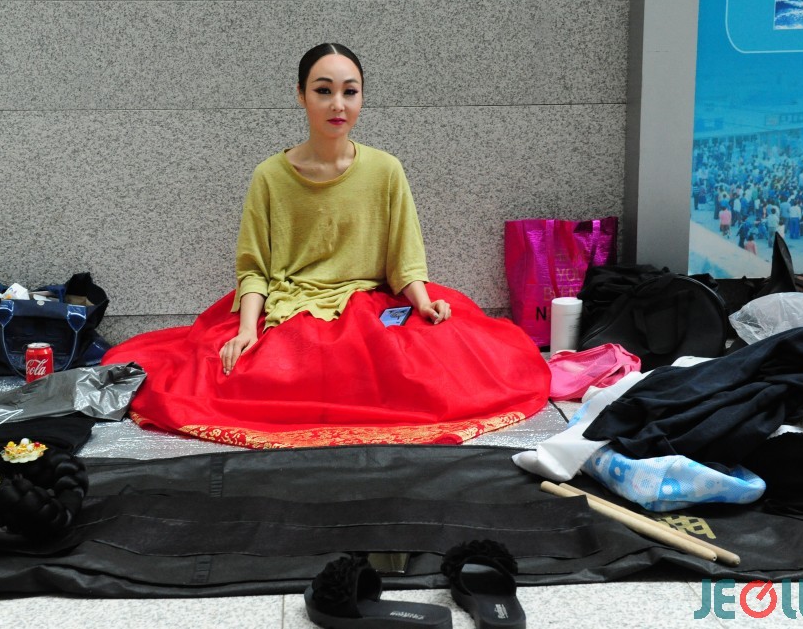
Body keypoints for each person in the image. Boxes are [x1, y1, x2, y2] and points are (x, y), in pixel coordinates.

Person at [102, 43, 550, 448]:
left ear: (361, 97)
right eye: (323, 90)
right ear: (301, 96)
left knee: (443, 370)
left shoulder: (386, 170)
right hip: (289, 305)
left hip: (371, 304)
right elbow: (254, 268)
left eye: (349, 92)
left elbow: (405, 260)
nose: (338, 104)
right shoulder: (269, 176)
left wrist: (422, 301)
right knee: (232, 377)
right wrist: (247, 328)